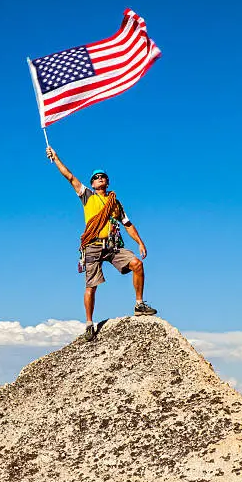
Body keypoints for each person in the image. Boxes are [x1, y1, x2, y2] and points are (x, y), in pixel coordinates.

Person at [46, 146, 157, 341]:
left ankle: (139, 304)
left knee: (137, 264)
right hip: (93, 245)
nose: (100, 179)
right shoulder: (87, 195)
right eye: (96, 177)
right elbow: (70, 177)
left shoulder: (115, 202)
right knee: (91, 285)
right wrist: (55, 158)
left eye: (103, 177)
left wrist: (140, 242)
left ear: (107, 181)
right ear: (92, 183)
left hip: (113, 245)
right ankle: (89, 323)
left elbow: (127, 223)